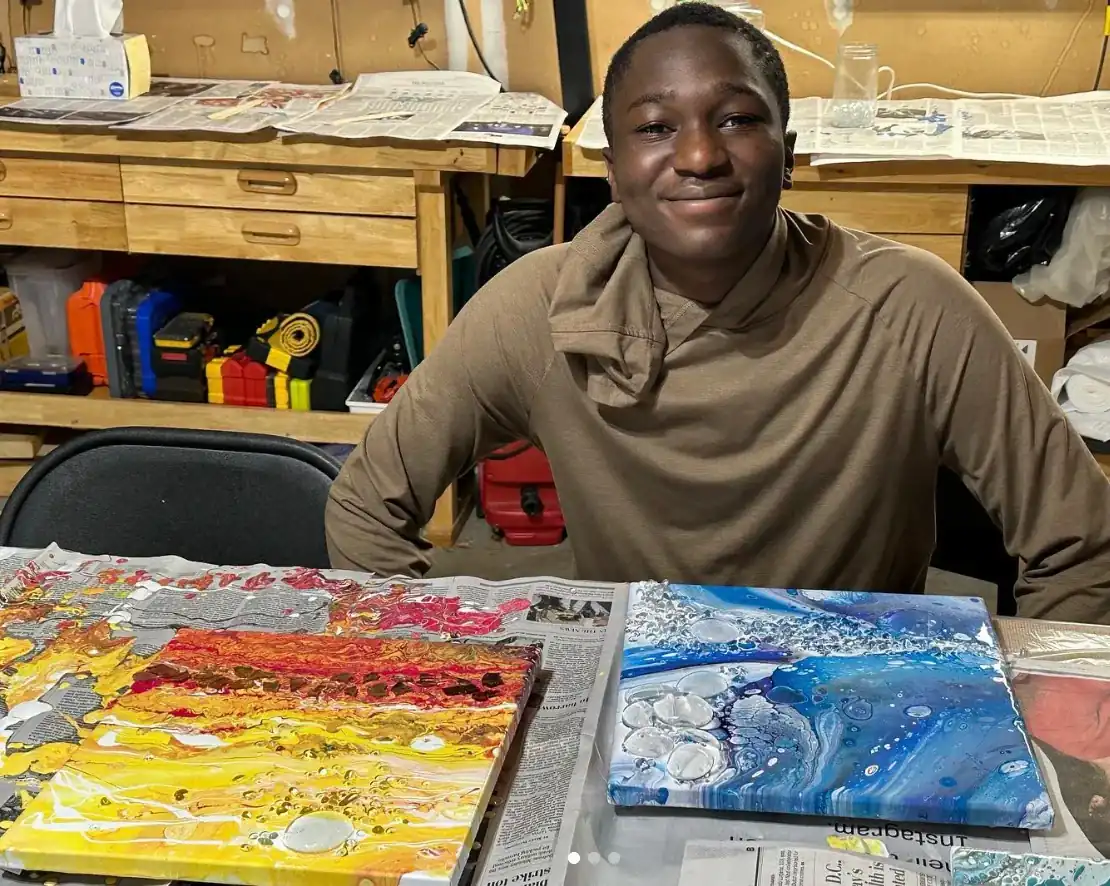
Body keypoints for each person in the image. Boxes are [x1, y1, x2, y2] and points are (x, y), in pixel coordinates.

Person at [327, 2, 1110, 623]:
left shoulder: (912, 310)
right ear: (613, 167)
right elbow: (367, 505)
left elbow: (1081, 547)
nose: (700, 156)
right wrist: (444, 681)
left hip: (857, 700)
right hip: (635, 700)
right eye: (656, 128)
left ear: (789, 152)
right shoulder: (542, 310)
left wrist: (1037, 735)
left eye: (736, 119)